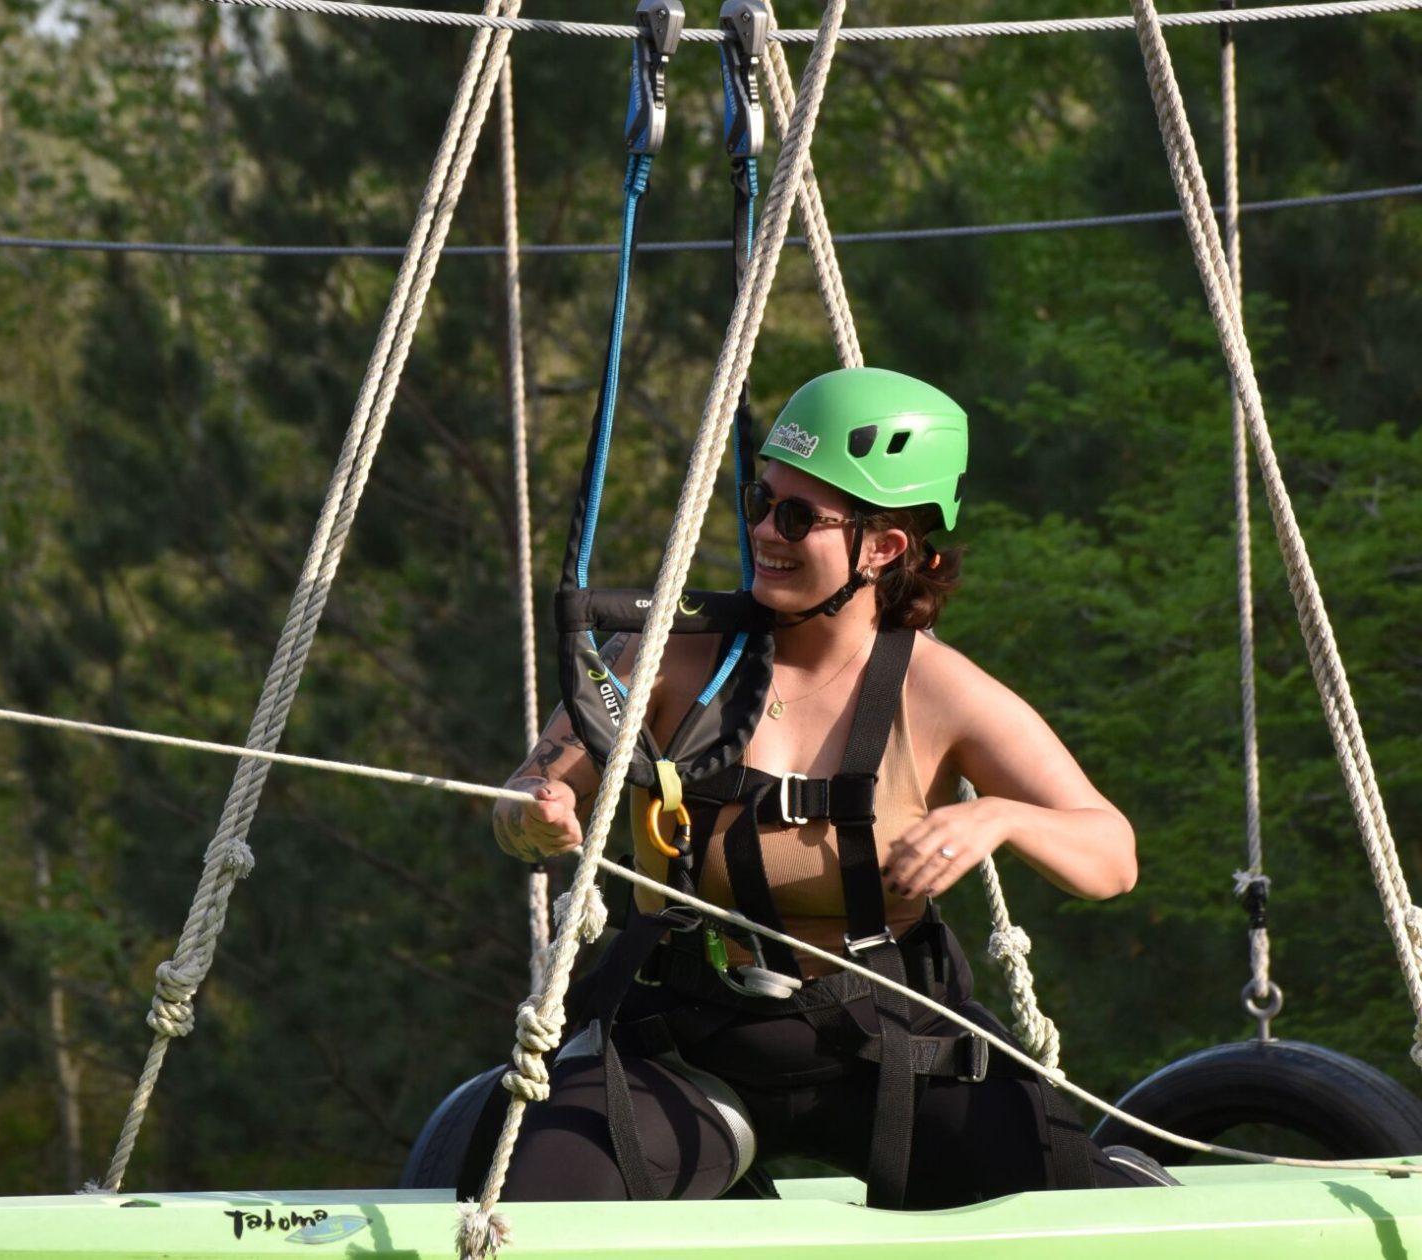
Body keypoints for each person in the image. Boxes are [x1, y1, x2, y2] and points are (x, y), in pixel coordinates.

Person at [486, 367, 1168, 1206]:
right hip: (681, 1049)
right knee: (541, 1198)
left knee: (1060, 1201)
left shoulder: (940, 690)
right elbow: (518, 804)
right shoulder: (661, 657)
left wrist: (998, 817)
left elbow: (1113, 857)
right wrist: (537, 815)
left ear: (882, 548)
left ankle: (1118, 1172)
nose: (767, 531)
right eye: (760, 501)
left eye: (799, 516)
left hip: (887, 1047)